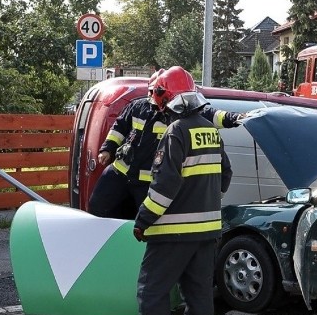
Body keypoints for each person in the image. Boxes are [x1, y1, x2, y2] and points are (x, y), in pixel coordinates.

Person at [125, 66, 232, 315]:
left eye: (160, 98)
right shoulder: (210, 131)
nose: (157, 106)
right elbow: (226, 175)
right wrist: (206, 200)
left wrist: (143, 219)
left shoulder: (176, 132)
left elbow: (164, 186)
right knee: (198, 292)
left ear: (169, 100)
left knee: (153, 289)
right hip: (208, 232)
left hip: (172, 232)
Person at [87, 71, 241, 220]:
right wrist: (108, 148)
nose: (152, 96)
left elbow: (212, 115)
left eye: (156, 92)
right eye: (151, 91)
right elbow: (119, 128)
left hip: (148, 183)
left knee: (142, 220)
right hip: (120, 173)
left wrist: (234, 118)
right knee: (97, 208)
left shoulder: (180, 113)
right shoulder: (137, 107)